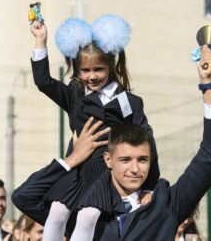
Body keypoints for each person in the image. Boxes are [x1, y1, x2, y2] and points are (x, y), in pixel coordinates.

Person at [12, 44, 211, 240]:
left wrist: (207, 84)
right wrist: (72, 159)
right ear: (108, 159)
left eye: (142, 159)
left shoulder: (165, 204)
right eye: (125, 159)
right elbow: (24, 196)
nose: (134, 168)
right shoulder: (79, 211)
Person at [29, 15, 160, 241]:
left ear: (110, 66)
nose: (91, 76)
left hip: (104, 174)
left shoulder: (129, 102)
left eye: (98, 69)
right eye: (85, 71)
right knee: (57, 212)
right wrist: (40, 40)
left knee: (88, 216)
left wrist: (148, 186)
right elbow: (43, 82)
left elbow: (146, 141)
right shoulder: (74, 94)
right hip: (77, 168)